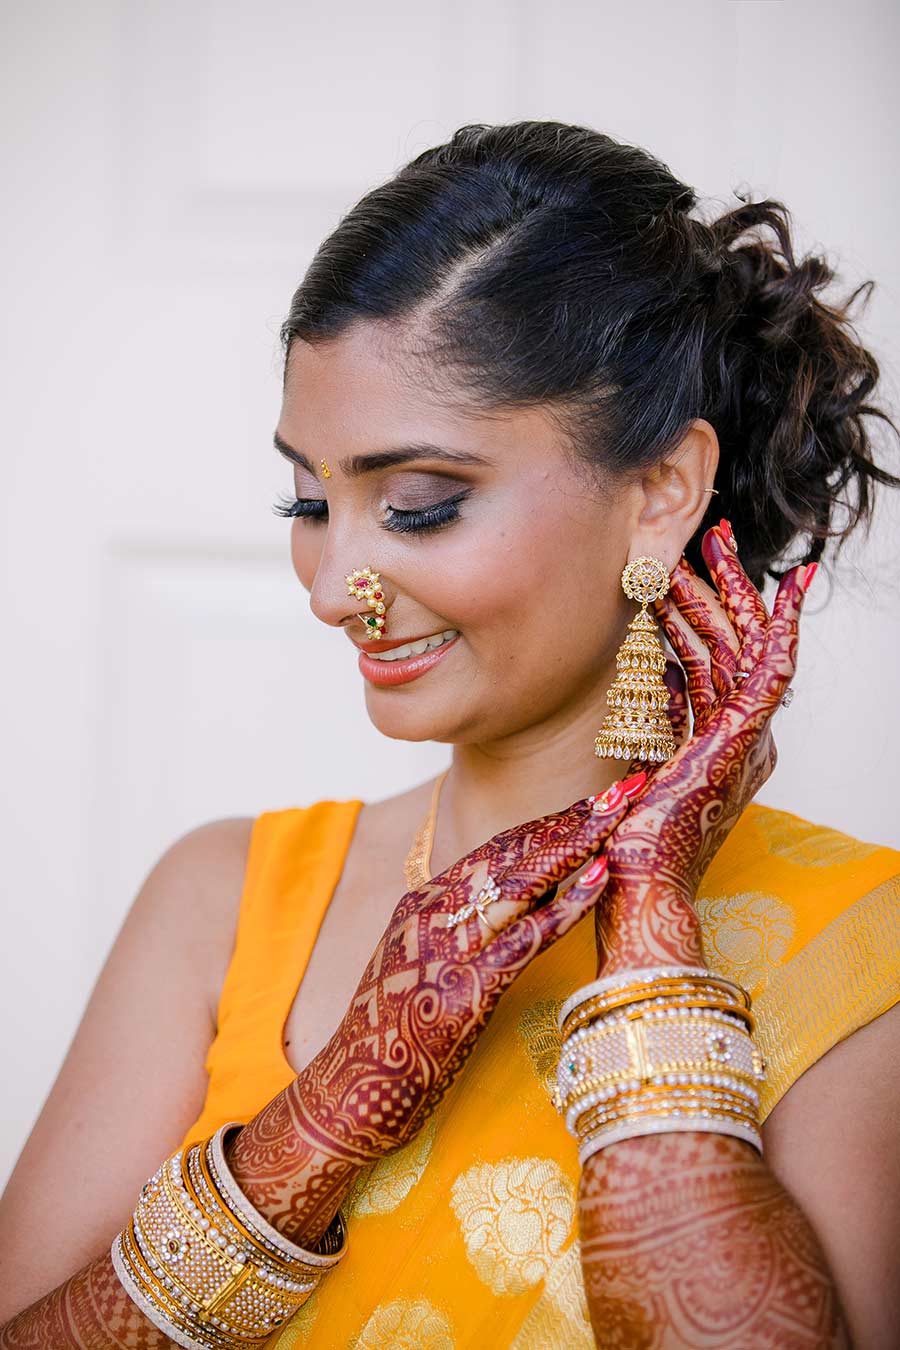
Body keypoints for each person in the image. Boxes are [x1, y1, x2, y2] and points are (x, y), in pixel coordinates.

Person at [2, 120, 899, 1350]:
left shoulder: (864, 947)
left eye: (419, 507)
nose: (331, 587)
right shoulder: (223, 900)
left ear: (659, 494)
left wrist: (648, 941)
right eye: (310, 503)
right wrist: (317, 1128)